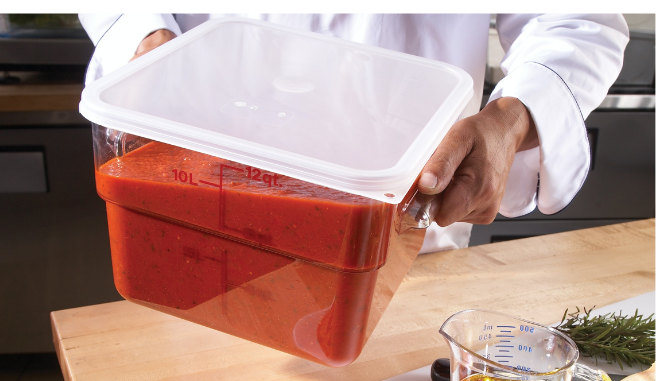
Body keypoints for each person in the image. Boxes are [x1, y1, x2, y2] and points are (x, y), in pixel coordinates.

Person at [80, 14, 630, 252]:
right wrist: (145, 35)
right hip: (202, 210)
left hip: (399, 228)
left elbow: (576, 21)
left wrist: (510, 121)